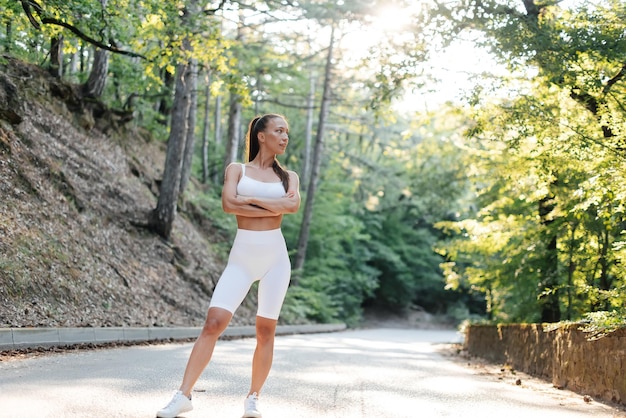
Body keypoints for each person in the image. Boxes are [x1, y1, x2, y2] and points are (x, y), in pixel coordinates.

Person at [156, 114, 300, 418]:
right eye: (279, 131)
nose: (285, 137)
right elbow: (228, 204)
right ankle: (183, 395)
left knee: (265, 331)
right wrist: (270, 205)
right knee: (214, 323)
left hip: (276, 259)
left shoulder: (290, 177)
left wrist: (248, 200)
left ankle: (253, 397)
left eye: (287, 132)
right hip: (242, 258)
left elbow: (291, 207)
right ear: (262, 135)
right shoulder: (237, 169)